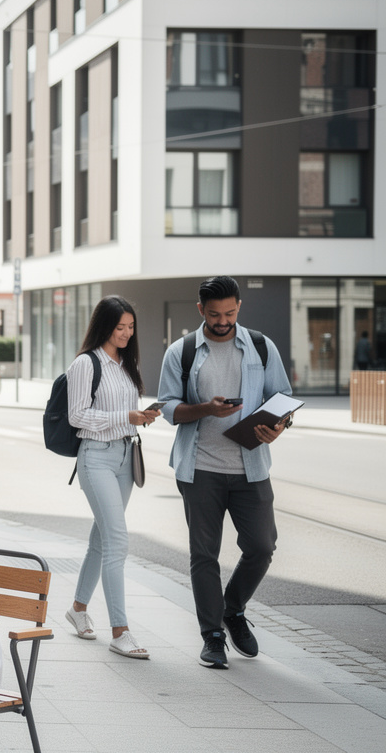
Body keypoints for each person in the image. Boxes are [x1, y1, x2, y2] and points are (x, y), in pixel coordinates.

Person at [157, 276, 292, 669]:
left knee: (262, 547)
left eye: (230, 313)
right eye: (215, 314)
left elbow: (281, 399)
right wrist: (205, 409)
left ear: (239, 307)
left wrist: (277, 428)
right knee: (204, 555)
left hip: (251, 467)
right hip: (200, 468)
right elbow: (168, 407)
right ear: (201, 310)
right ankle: (212, 636)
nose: (222, 320)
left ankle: (232, 609)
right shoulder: (181, 352)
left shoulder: (262, 347)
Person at [62, 296, 159, 660]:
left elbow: (124, 411)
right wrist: (126, 418)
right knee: (118, 540)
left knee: (102, 540)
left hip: (124, 457)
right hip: (96, 459)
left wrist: (141, 417)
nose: (126, 333)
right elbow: (77, 416)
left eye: (131, 327)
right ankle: (121, 631)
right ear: (104, 326)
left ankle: (77, 609)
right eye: (120, 327)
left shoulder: (125, 364)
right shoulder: (86, 364)